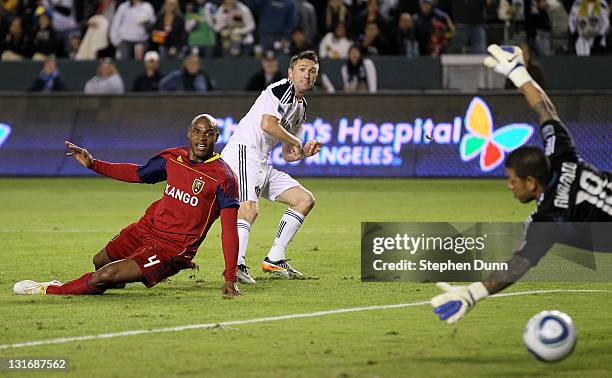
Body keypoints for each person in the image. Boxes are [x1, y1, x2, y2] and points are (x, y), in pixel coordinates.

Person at [431, 44, 612, 324]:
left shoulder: (551, 217)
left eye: (513, 180)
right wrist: (518, 73)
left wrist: (472, 293)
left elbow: (518, 265)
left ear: (531, 182)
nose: (509, 186)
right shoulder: (562, 155)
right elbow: (545, 108)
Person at [13, 114, 241, 297]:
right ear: (189, 134)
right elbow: (137, 173)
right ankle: (112, 279)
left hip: (171, 249)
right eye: (197, 132)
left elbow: (229, 230)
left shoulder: (223, 178)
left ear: (217, 137)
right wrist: (94, 164)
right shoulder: (173, 158)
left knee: (105, 274)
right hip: (146, 229)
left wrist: (230, 278)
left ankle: (48, 289)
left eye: (208, 134)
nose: (202, 138)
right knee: (99, 261)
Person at [220, 50, 322, 284]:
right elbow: (268, 124)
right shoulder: (281, 89)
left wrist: (303, 151)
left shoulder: (301, 106)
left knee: (304, 200)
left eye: (312, 71)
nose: (307, 75)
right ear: (291, 72)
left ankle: (275, 259)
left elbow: (288, 154)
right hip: (244, 152)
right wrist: (297, 141)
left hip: (262, 161)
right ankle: (235, 266)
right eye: (302, 70)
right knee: (249, 208)